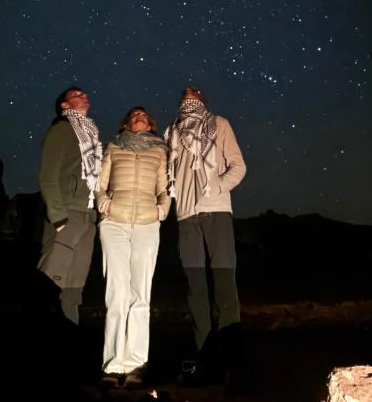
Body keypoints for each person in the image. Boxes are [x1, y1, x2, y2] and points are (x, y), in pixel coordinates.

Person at [165, 86, 246, 384]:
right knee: (195, 289)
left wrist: (218, 186)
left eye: (193, 92)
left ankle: (233, 358)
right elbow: (166, 174)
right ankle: (203, 355)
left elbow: (239, 166)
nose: (187, 94)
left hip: (216, 213)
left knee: (224, 285)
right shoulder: (171, 133)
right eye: (183, 93)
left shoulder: (219, 124)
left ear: (202, 100)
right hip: (186, 217)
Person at [96, 106, 170, 389]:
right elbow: (100, 183)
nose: (139, 116)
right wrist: (105, 204)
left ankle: (136, 364)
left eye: (143, 115)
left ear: (150, 124)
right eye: (134, 114)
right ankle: (112, 365)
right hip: (114, 222)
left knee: (141, 295)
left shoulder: (159, 151)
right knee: (116, 292)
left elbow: (164, 187)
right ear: (126, 122)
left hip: (147, 224)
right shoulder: (114, 145)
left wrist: (162, 209)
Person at [37, 86, 102, 324]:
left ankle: (69, 349)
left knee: (74, 289)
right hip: (66, 216)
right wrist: (58, 218)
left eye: (85, 93)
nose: (84, 95)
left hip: (86, 219)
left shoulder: (91, 137)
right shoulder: (62, 129)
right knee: (50, 285)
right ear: (64, 105)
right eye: (76, 95)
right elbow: (48, 175)